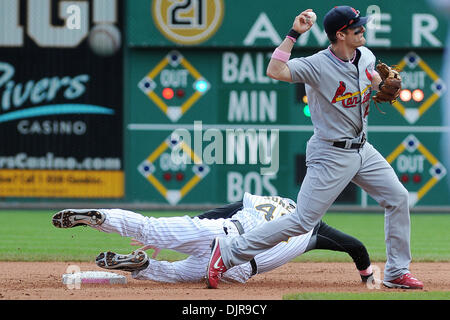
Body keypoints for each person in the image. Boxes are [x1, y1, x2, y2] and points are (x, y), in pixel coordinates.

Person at [206, 6, 423, 290]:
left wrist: (381, 84)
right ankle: (230, 250)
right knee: (302, 221)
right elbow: (275, 70)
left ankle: (396, 272)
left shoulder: (366, 55)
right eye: (357, 28)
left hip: (362, 150)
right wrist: (294, 33)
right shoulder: (317, 65)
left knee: (398, 197)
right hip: (330, 153)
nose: (363, 30)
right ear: (340, 34)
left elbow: (372, 78)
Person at [52, 192, 374, 284]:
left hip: (220, 231)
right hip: (237, 264)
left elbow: (220, 210)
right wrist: (366, 275)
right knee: (178, 274)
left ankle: (103, 217)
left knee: (149, 227)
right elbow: (356, 247)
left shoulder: (269, 198)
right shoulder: (316, 227)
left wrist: (180, 232)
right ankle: (144, 266)